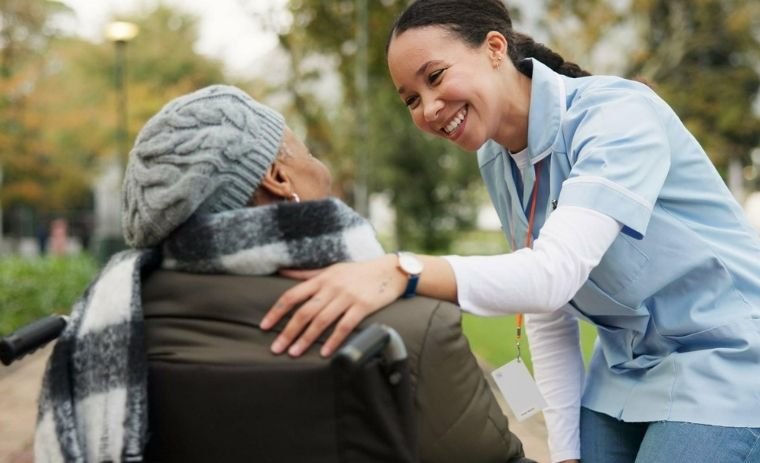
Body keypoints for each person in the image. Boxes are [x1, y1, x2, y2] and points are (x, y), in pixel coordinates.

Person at [259, 1, 760, 462]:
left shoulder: (616, 115)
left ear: (495, 48)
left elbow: (553, 275)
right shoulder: (495, 157)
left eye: (435, 77)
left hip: (722, 358)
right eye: (411, 99)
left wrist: (402, 269)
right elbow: (548, 311)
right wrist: (564, 453)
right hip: (624, 371)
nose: (429, 108)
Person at [34, 84, 531, 463]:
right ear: (278, 176)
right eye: (307, 152)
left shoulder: (101, 336)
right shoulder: (410, 330)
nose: (325, 170)